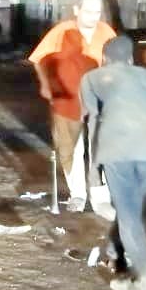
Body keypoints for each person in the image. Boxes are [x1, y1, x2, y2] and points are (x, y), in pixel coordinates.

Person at [80, 36, 146, 290]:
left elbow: (93, 121)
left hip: (117, 148)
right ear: (131, 59)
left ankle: (145, 281)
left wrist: (93, 168)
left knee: (129, 214)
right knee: (130, 206)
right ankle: (113, 251)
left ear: (104, 58)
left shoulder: (92, 79)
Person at [29, 0, 117, 211]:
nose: (93, 17)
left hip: (99, 100)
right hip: (68, 99)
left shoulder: (106, 33)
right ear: (77, 10)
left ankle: (100, 196)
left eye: (97, 12)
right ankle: (77, 194)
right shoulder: (61, 32)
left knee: (100, 147)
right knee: (70, 148)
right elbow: (38, 59)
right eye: (88, 11)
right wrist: (46, 85)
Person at [38, 29, 99, 210]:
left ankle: (83, 195)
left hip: (76, 110)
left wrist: (46, 86)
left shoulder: (87, 62)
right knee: (81, 151)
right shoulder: (86, 61)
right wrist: (46, 86)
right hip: (71, 110)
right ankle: (85, 195)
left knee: (74, 152)